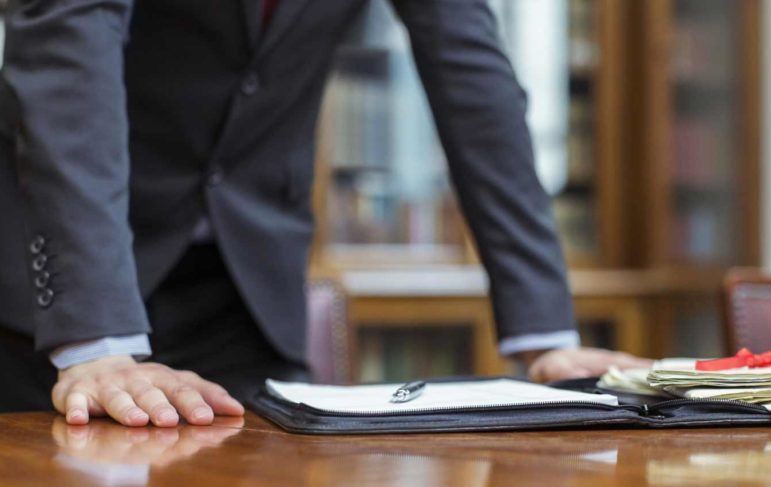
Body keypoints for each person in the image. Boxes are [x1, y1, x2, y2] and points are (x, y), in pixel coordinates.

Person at [0, 0, 651, 426]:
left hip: (246, 288)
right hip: (55, 294)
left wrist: (546, 335)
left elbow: (470, 72)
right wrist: (100, 340)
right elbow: (68, 46)